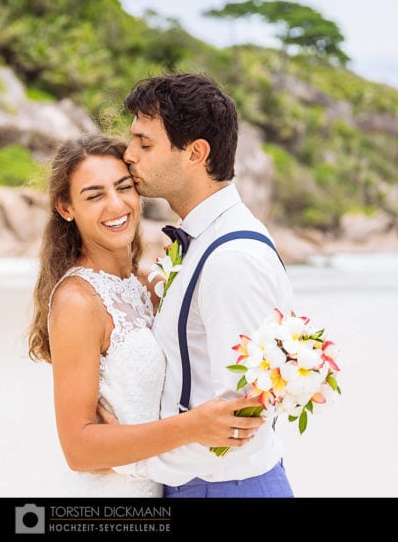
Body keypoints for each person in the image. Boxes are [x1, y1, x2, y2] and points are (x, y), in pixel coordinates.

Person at [27, 133, 264, 497]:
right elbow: (78, 449)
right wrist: (193, 427)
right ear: (65, 207)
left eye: (124, 187)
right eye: (94, 195)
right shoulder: (78, 301)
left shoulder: (149, 283)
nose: (116, 205)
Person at [111, 72, 296, 497]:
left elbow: (236, 424)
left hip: (224, 488)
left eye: (145, 143)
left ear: (195, 153)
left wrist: (127, 451)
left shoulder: (231, 260)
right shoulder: (207, 241)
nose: (129, 155)